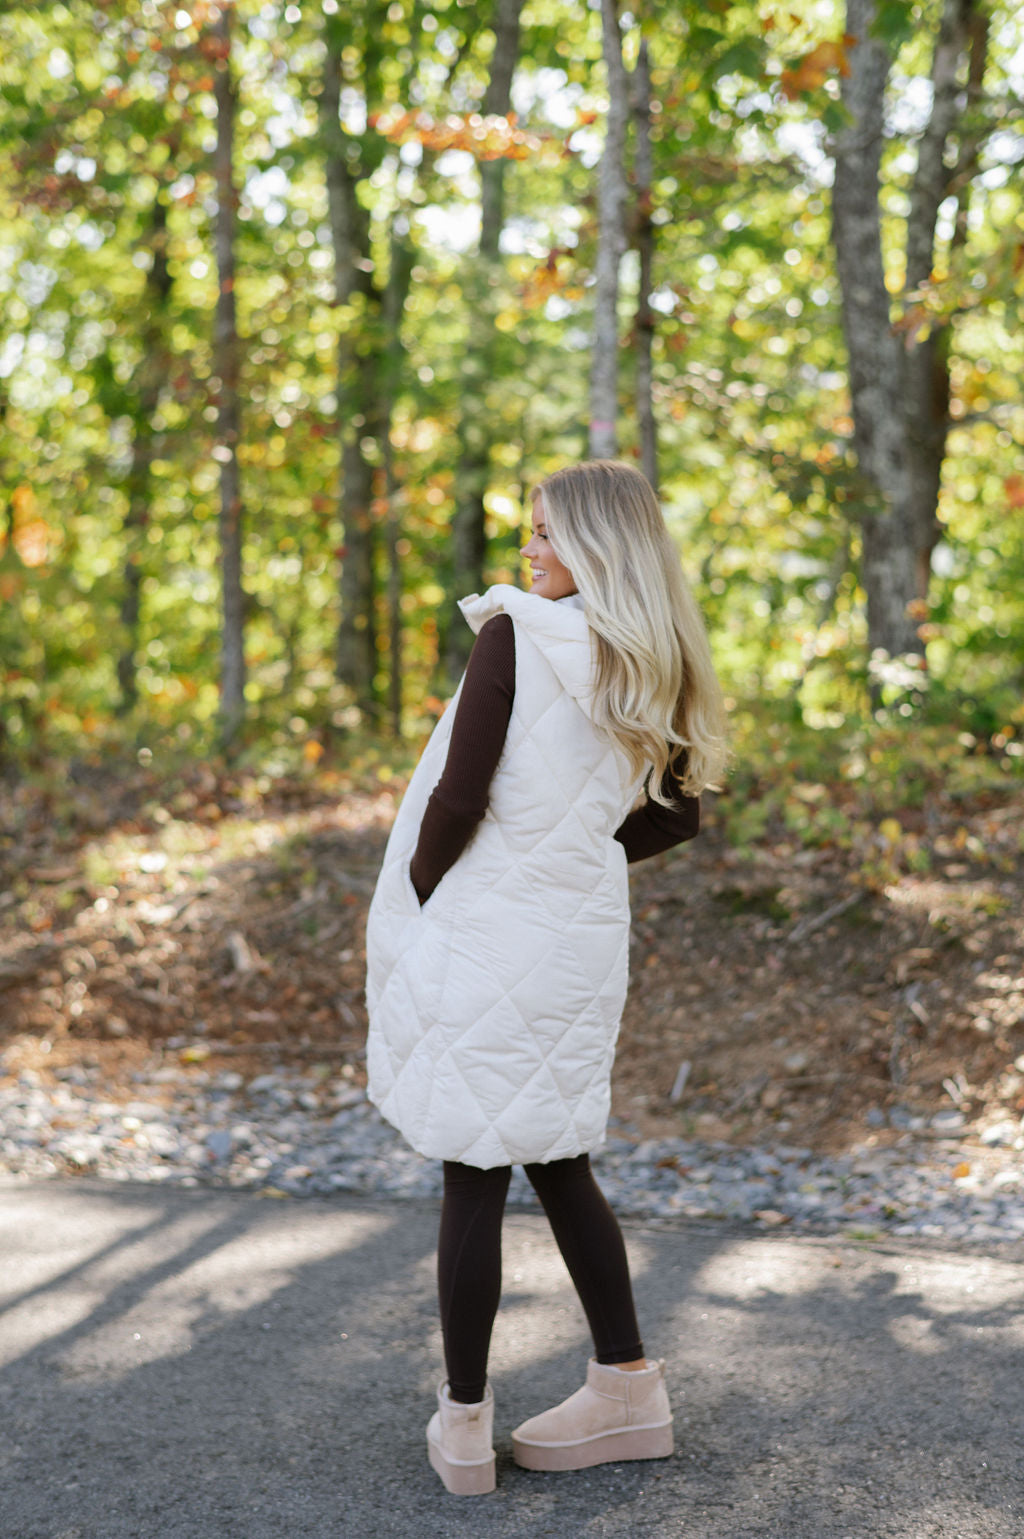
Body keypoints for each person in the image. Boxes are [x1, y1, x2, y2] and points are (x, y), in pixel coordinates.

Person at [365, 459, 727, 1495]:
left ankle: (465, 1427)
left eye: (546, 535)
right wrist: (576, 856)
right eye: (529, 533)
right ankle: (626, 1388)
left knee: (473, 1162)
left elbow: (454, 797)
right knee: (557, 1155)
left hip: (486, 933)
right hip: (576, 943)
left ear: (598, 547)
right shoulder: (646, 658)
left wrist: (425, 892)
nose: (528, 550)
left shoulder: (515, 634)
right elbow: (678, 815)